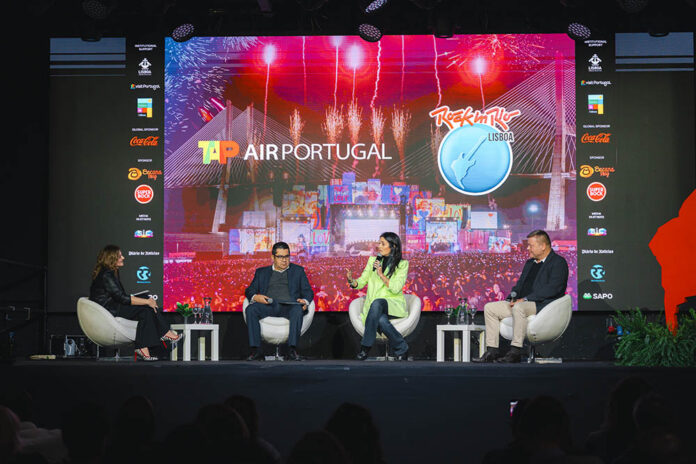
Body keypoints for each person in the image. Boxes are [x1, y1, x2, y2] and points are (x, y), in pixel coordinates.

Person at [474, 230, 568, 363]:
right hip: (522, 302)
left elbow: (553, 288)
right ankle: (492, 351)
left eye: (531, 245)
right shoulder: (530, 263)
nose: (528, 248)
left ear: (543, 246)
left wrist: (525, 299)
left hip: (542, 305)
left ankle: (515, 351)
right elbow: (520, 285)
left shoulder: (558, 262)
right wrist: (511, 297)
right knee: (490, 308)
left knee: (519, 307)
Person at [89, 245, 181, 361]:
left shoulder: (110, 272)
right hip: (109, 311)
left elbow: (120, 296)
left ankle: (147, 345)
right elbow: (122, 298)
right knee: (145, 306)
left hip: (114, 307)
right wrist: (147, 301)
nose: (123, 257)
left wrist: (146, 300)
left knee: (145, 306)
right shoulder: (106, 275)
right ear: (112, 258)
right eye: (120, 256)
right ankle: (163, 334)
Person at [244, 242, 314, 361]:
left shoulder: (298, 271)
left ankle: (291, 351)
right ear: (273, 257)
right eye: (280, 257)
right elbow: (250, 290)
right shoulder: (261, 272)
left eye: (287, 256)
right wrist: (256, 297)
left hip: (289, 306)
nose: (284, 260)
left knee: (297, 310)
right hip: (269, 305)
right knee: (251, 309)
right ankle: (257, 351)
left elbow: (308, 291)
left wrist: (305, 301)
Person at [345, 232, 410, 361]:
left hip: (392, 304)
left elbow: (396, 287)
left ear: (393, 246)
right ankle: (402, 348)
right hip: (374, 309)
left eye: (382, 244)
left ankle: (365, 347)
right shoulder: (372, 261)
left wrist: (381, 274)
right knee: (380, 319)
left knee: (378, 302)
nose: (378, 246)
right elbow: (362, 281)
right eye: (379, 243)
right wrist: (352, 280)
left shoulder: (402, 264)